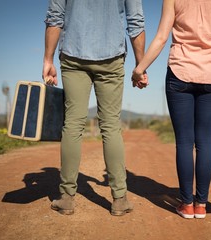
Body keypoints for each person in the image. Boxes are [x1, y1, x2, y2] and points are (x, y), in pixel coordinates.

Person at [42, 0, 147, 216]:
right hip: (111, 56)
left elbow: (55, 17)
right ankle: (119, 199)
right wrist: (140, 65)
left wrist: (48, 59)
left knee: (72, 124)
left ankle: (66, 198)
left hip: (73, 54)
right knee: (110, 126)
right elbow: (135, 22)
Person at [132, 0, 211, 219]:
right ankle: (201, 205)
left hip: (180, 73)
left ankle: (187, 205)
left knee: (185, 142)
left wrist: (140, 69)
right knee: (205, 142)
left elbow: (161, 37)